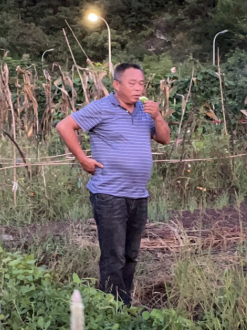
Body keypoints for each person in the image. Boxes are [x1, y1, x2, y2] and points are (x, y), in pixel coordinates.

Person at [56, 63, 171, 306]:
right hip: (110, 194)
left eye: (141, 83)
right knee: (113, 256)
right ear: (116, 85)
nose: (138, 88)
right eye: (132, 83)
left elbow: (164, 138)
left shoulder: (144, 111)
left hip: (138, 194)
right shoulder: (102, 108)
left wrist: (158, 116)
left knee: (131, 254)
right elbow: (64, 126)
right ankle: (112, 309)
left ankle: (123, 303)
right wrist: (82, 158)